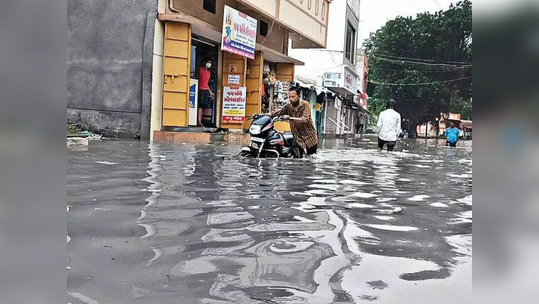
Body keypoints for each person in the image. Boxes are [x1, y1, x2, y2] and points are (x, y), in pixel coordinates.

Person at [271, 87, 318, 156]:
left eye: (293, 97)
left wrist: (290, 118)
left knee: (311, 158)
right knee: (296, 158)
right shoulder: (288, 106)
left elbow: (304, 119)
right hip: (297, 137)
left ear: (298, 96)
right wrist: (259, 115)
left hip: (310, 137)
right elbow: (276, 113)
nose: (290, 99)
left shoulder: (305, 104)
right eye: (289, 97)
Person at [198, 58, 215, 126]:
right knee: (200, 106)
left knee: (204, 107)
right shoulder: (200, 70)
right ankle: (199, 121)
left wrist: (210, 93)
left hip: (206, 90)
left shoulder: (208, 73)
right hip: (200, 89)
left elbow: (206, 84)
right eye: (208, 62)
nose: (209, 64)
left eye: (210, 63)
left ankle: (201, 121)